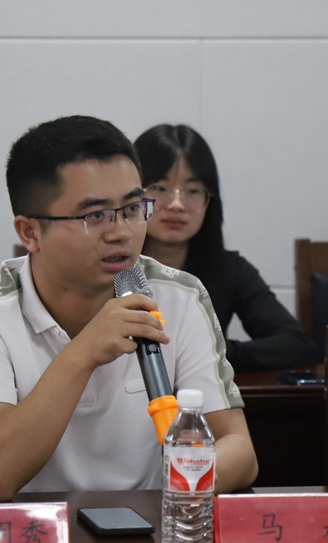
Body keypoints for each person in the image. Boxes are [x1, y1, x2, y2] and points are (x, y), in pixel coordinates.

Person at [0, 115, 258, 501]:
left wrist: (182, 484)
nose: (121, 232)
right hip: (25, 530)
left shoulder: (181, 296)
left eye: (133, 208)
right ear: (30, 233)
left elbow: (238, 449)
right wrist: (83, 352)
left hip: (147, 523)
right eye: (95, 216)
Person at [134, 124, 317, 372]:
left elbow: (299, 345)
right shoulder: (112, 267)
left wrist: (212, 351)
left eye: (193, 190)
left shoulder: (229, 269)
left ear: (209, 201)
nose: (177, 204)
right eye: (160, 188)